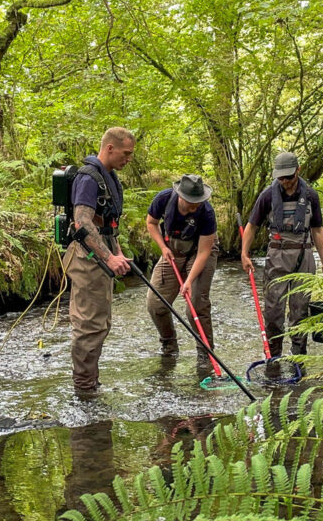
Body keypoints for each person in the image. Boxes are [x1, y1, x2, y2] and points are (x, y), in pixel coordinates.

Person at [240, 152, 323, 357]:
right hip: (277, 256)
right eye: (280, 178)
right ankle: (273, 357)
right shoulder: (266, 196)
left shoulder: (310, 195)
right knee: (273, 311)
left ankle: (299, 357)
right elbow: (251, 226)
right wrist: (244, 254)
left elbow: (317, 230)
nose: (285, 182)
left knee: (300, 310)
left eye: (288, 177)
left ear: (298, 171)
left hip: (304, 255)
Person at [64, 127, 135, 394]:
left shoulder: (109, 177)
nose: (128, 159)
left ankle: (90, 383)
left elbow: (108, 224)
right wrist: (108, 257)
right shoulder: (89, 178)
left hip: (101, 257)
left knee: (101, 324)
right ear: (109, 148)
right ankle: (83, 389)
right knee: (89, 326)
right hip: (87, 259)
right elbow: (82, 222)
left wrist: (116, 253)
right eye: (126, 153)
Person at [145, 174, 218, 358]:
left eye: (198, 201)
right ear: (180, 196)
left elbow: (203, 253)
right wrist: (162, 247)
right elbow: (151, 223)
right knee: (156, 304)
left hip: (200, 252)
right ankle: (169, 348)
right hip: (172, 251)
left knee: (196, 304)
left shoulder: (207, 213)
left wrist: (189, 281)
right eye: (191, 201)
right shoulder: (163, 199)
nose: (195, 205)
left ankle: (205, 353)